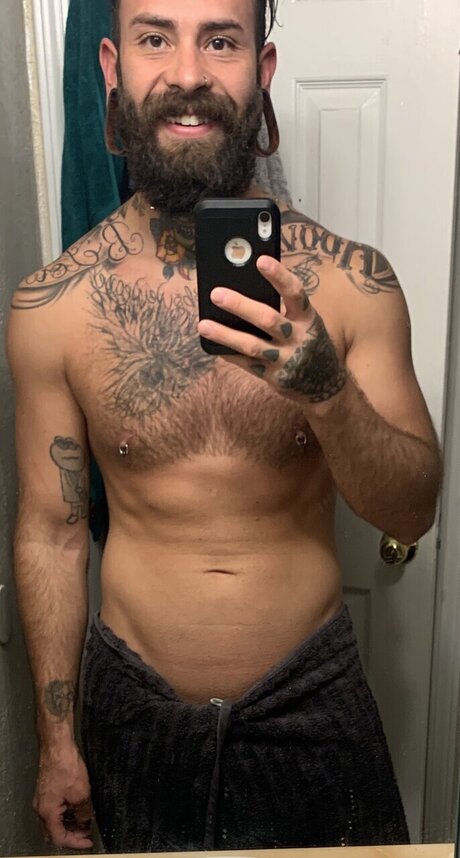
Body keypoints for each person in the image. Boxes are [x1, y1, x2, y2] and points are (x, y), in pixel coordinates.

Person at [7, 0, 442, 852]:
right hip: (133, 714)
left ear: (262, 70)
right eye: (155, 38)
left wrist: (327, 392)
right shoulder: (53, 307)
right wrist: (56, 742)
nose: (188, 74)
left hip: (311, 707)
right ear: (112, 68)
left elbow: (412, 511)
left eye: (220, 40)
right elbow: (50, 534)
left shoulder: (353, 285)